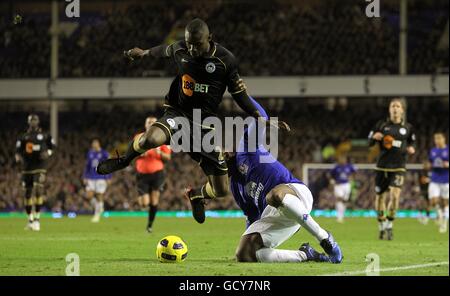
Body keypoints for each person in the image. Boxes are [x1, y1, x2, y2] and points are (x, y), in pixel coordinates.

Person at [96, 18, 288, 223]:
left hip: (204, 126)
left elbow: (239, 95)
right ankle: (124, 160)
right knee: (149, 140)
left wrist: (260, 117)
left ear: (209, 39)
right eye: (188, 43)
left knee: (221, 189)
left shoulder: (225, 61)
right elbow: (164, 50)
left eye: (197, 44)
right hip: (178, 113)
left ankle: (197, 194)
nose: (192, 48)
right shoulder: (181, 50)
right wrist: (144, 52)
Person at [225, 97, 342, 264]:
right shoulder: (236, 188)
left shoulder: (246, 148)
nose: (223, 153)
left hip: (295, 193)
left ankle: (324, 238)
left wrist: (240, 94)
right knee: (244, 255)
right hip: (276, 217)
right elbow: (252, 218)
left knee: (274, 196)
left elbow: (260, 115)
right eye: (218, 158)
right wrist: (249, 240)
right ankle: (306, 255)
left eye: (222, 150)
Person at [368, 98, 416, 240]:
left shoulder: (408, 128)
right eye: (392, 106)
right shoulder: (381, 125)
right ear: (390, 109)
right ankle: (381, 225)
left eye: (398, 106)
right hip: (382, 166)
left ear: (402, 110)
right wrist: (374, 138)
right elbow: (370, 141)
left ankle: (389, 224)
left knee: (395, 196)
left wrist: (412, 148)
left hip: (399, 166)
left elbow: (413, 143)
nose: (395, 108)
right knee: (380, 197)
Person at [15, 114, 55, 231]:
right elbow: (18, 151)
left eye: (35, 120)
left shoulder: (45, 135)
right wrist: (18, 157)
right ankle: (30, 220)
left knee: (38, 189)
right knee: (27, 194)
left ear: (38, 121)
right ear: (28, 122)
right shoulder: (23, 137)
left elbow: (52, 147)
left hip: (40, 166)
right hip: (27, 167)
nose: (33, 122)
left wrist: (48, 152)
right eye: (31, 120)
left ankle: (37, 219)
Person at [135, 117, 172, 232]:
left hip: (157, 173)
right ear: (145, 125)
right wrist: (140, 153)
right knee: (145, 204)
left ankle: (149, 226)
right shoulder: (139, 137)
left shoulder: (163, 138)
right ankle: (144, 204)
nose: (151, 124)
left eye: (153, 122)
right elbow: (133, 153)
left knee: (154, 200)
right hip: (142, 174)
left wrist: (159, 152)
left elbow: (168, 157)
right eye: (149, 122)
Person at [83, 139, 111, 223]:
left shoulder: (104, 153)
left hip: (101, 177)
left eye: (95, 143)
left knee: (99, 195)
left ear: (99, 144)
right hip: (91, 177)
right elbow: (87, 165)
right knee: (89, 195)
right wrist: (85, 176)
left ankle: (97, 215)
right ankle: (99, 207)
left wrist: (108, 177)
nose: (93, 144)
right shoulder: (90, 153)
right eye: (93, 143)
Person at [427, 132, 449, 233]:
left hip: (446, 179)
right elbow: (430, 162)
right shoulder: (433, 150)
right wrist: (427, 165)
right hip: (435, 179)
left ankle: (444, 222)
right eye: (436, 139)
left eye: (439, 139)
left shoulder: (448, 150)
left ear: (444, 139)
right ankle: (439, 215)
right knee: (433, 200)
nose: (437, 141)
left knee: (445, 202)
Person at [329, 155, 356, 223]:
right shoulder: (336, 167)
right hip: (338, 185)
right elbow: (330, 175)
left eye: (343, 158)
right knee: (339, 199)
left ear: (346, 160)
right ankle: (339, 217)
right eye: (341, 159)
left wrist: (352, 178)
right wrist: (332, 181)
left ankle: (342, 216)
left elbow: (354, 172)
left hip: (346, 185)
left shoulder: (349, 166)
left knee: (344, 201)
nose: (342, 160)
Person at [417, 160, 431, 225]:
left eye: (427, 164)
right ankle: (420, 214)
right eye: (425, 164)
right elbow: (422, 180)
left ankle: (427, 216)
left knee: (428, 203)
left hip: (429, 190)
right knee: (423, 203)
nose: (427, 166)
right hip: (423, 190)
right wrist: (429, 180)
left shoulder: (431, 172)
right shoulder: (421, 172)